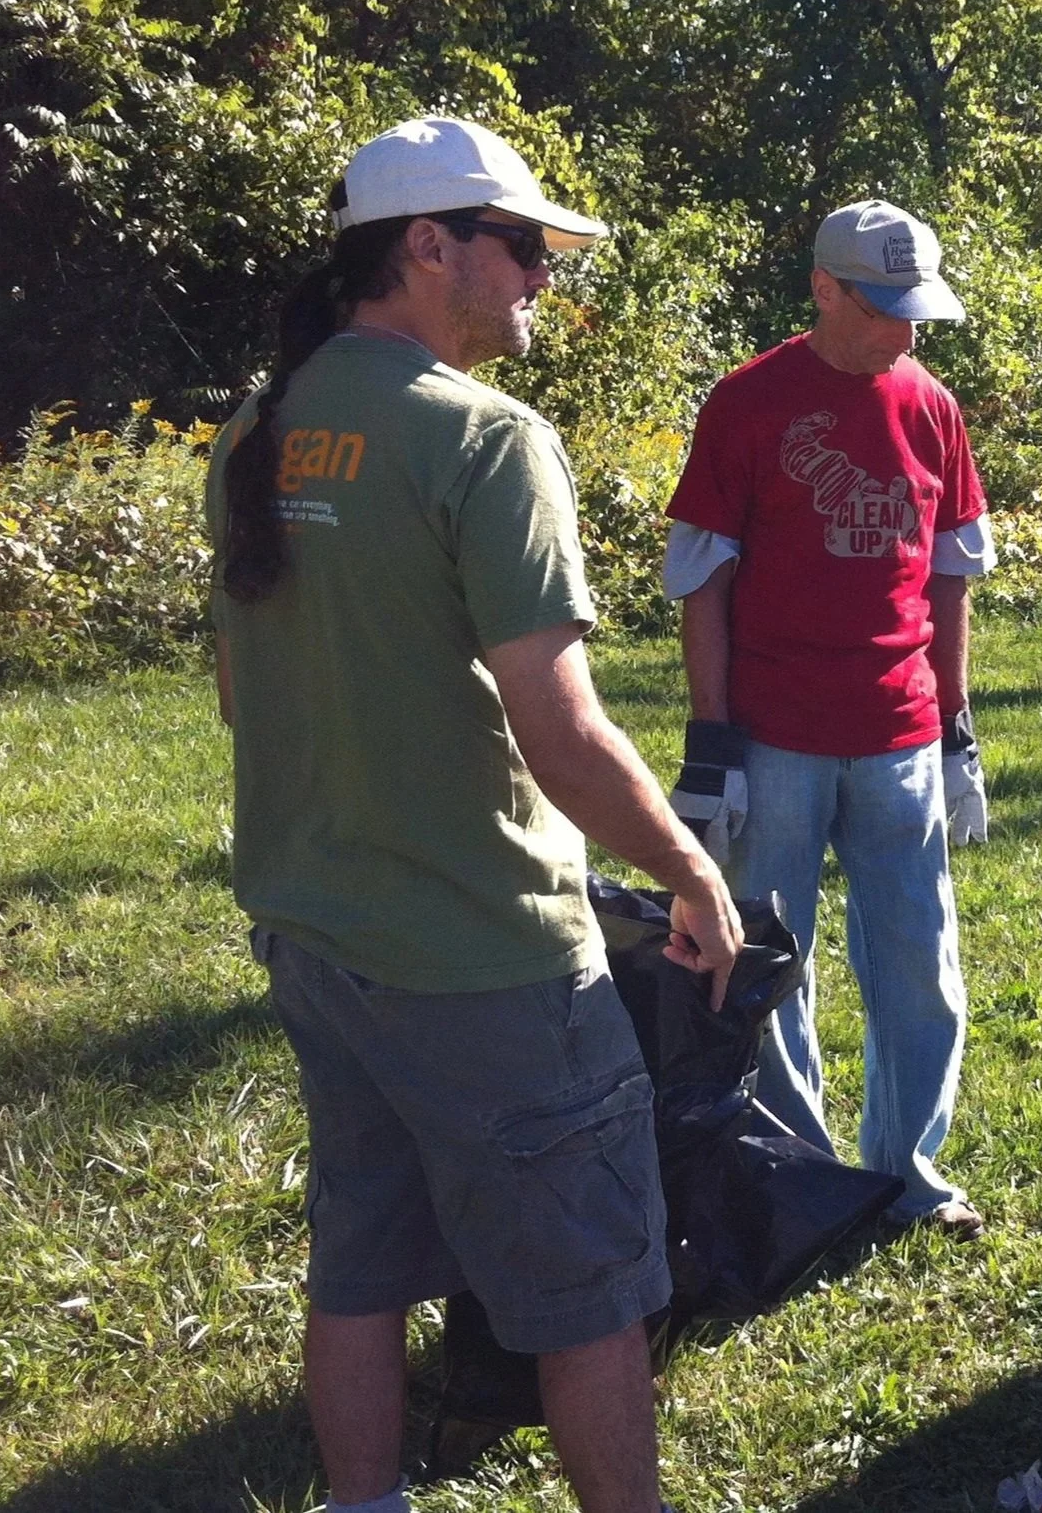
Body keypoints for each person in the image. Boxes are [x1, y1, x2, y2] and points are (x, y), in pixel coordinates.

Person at [208, 116, 744, 1513]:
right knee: (590, 1291)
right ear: (426, 245)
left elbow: (240, 690)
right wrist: (689, 865)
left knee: (365, 1260)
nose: (542, 276)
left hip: (319, 933)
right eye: (521, 245)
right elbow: (559, 727)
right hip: (483, 951)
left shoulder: (261, 430)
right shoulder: (488, 438)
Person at [661, 198, 994, 1238]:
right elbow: (701, 580)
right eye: (880, 308)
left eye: (913, 313)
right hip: (777, 736)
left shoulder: (931, 405)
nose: (900, 332)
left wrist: (957, 731)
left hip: (898, 732)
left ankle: (908, 1177)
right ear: (822, 288)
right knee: (769, 964)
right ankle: (794, 1174)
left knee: (917, 970)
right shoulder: (747, 402)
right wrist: (712, 746)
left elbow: (950, 579)